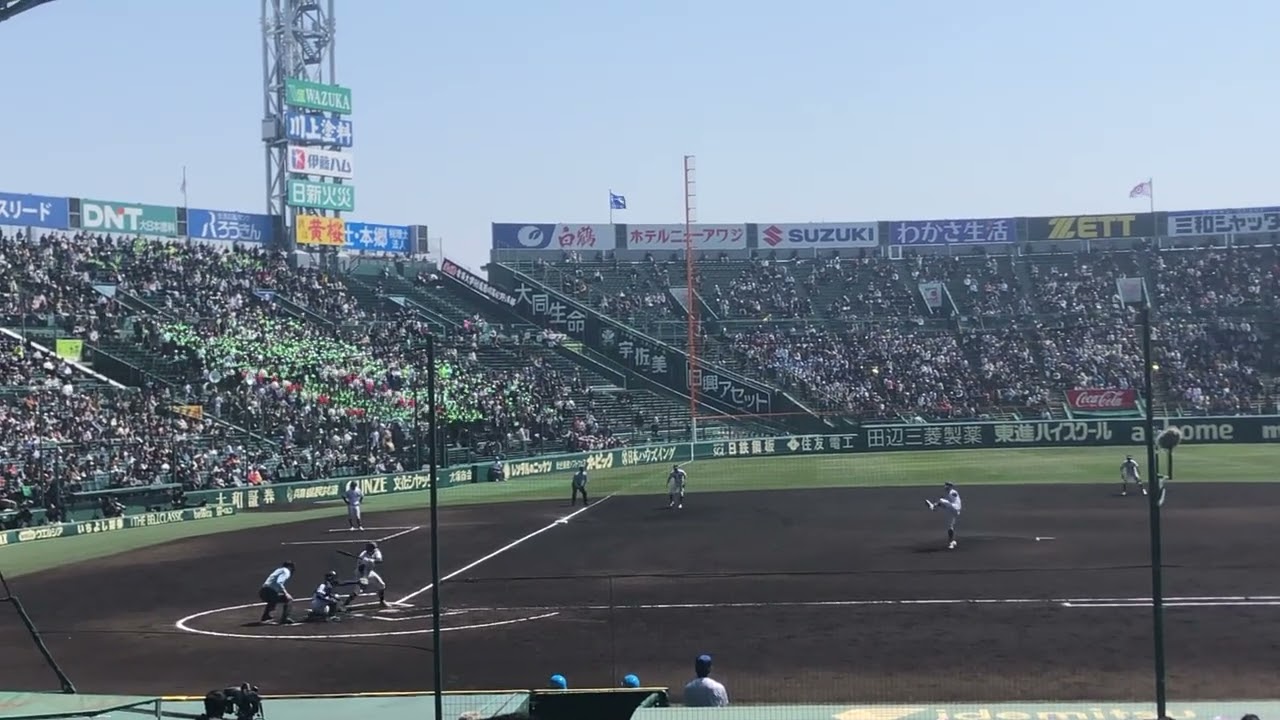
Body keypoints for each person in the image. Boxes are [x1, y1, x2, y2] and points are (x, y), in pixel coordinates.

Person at [344, 541, 388, 609]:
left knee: (382, 584)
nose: (374, 549)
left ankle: (382, 601)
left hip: (370, 571)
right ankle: (344, 605)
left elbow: (380, 560)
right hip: (361, 573)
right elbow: (361, 569)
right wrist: (363, 578)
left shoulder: (376, 551)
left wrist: (372, 561)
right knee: (357, 591)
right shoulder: (362, 555)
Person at [926, 482, 962, 550]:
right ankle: (951, 542)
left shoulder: (952, 492)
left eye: (946, 485)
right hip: (953, 511)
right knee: (950, 527)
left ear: (950, 486)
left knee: (941, 500)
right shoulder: (948, 493)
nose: (945, 486)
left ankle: (933, 507)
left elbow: (954, 495)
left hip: (956, 508)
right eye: (945, 485)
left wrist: (951, 495)